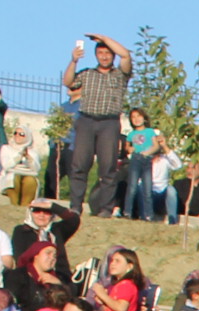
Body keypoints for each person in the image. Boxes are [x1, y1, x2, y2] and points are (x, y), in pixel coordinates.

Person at [61, 35, 131, 214]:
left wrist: (104, 39)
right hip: (86, 121)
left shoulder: (120, 75)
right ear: (96, 55)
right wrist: (74, 60)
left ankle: (105, 208)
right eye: (100, 53)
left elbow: (126, 56)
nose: (104, 56)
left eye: (107, 53)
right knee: (79, 166)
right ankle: (75, 207)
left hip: (109, 123)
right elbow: (67, 82)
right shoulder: (87, 74)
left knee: (108, 167)